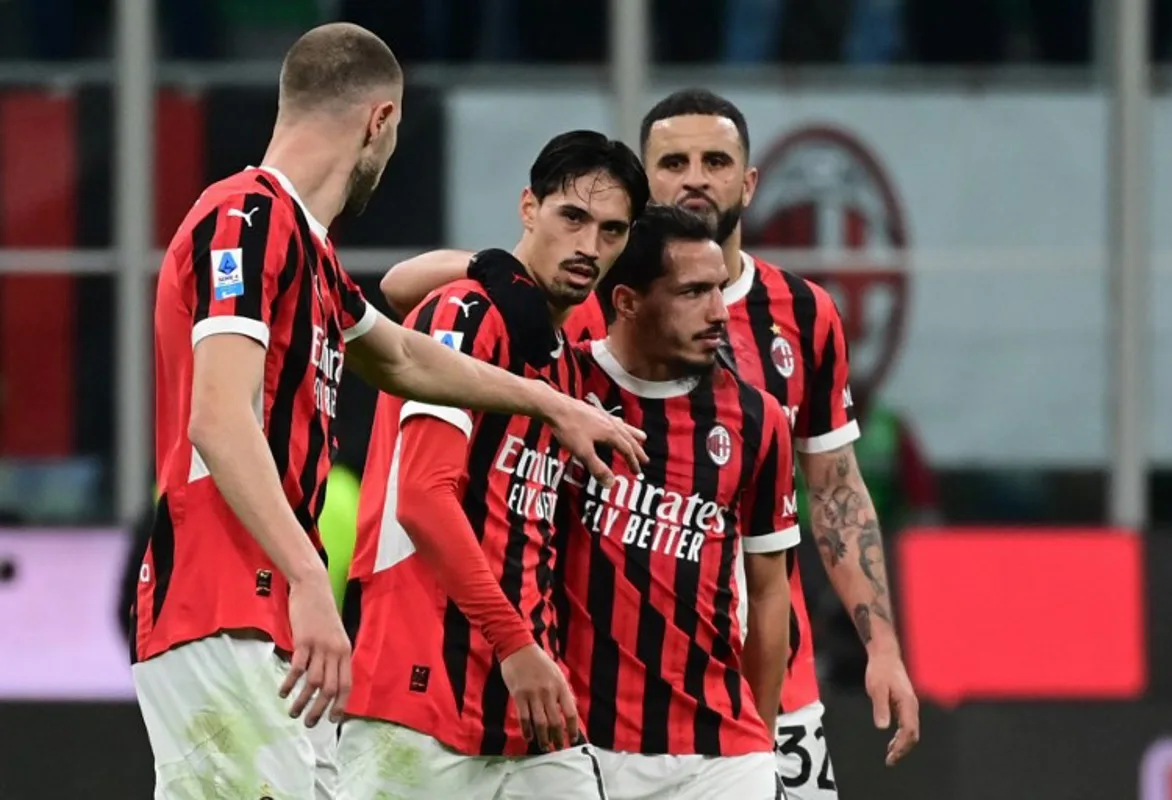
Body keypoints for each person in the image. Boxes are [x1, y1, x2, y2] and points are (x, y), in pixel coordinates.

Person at [134, 25, 647, 800]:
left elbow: (401, 356)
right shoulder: (245, 214)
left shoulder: (314, 257)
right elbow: (216, 415)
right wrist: (310, 576)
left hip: (270, 622)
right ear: (379, 122)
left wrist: (549, 403)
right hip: (220, 605)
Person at [379, 89, 920, 798]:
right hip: (588, 705)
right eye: (673, 161)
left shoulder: (806, 315)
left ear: (749, 182)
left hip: (761, 691)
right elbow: (403, 290)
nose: (695, 177)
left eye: (716, 160)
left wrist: (880, 641)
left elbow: (837, 489)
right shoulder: (584, 302)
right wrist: (495, 267)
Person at [336, 130, 650, 799]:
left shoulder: (565, 358)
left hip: (529, 713)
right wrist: (516, 644)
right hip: (419, 703)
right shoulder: (466, 313)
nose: (590, 246)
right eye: (573, 217)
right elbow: (422, 497)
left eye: (611, 230)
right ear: (528, 208)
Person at [553, 204, 796, 799]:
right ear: (627, 301)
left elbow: (769, 593)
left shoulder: (757, 419)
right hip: (577, 748)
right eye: (693, 292)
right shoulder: (560, 390)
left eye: (719, 288)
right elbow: (404, 287)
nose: (719, 311)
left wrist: (759, 742)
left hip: (720, 755)